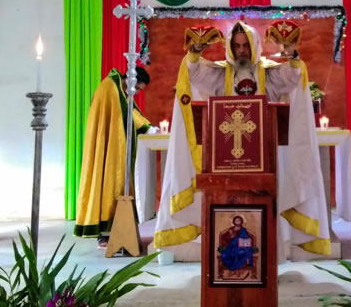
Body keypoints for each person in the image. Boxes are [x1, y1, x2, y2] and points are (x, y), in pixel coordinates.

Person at [153, 22, 330, 259]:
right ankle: (227, 259)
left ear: (254, 45)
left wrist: (291, 53)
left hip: (264, 158)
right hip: (225, 160)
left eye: (245, 45)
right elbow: (194, 73)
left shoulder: (268, 73)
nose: (241, 51)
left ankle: (264, 260)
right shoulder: (220, 74)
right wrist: (195, 52)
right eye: (236, 46)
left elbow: (293, 76)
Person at [74, 67, 152, 243]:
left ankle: (119, 230)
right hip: (107, 145)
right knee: (105, 184)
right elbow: (124, 113)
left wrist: (147, 126)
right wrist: (146, 128)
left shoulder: (121, 89)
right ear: (130, 79)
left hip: (116, 146)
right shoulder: (109, 88)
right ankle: (103, 233)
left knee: (116, 185)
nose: (136, 92)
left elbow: (131, 112)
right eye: (137, 88)